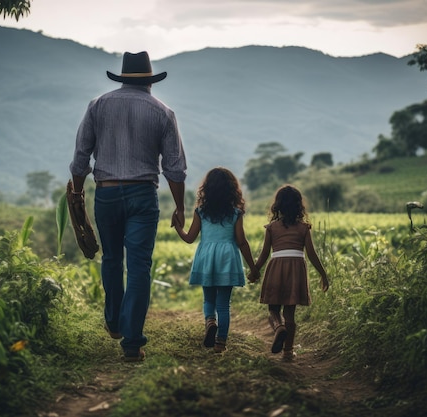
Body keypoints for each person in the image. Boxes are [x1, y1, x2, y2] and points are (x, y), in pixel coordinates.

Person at [69, 51, 187, 362]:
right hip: (143, 196)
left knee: (111, 258)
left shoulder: (98, 105)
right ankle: (132, 343)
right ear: (150, 82)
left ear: (122, 78)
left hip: (106, 194)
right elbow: (174, 168)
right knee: (139, 268)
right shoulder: (163, 112)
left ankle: (113, 320)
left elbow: (81, 157)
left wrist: (78, 196)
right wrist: (180, 206)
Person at [173, 167, 259, 353]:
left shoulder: (201, 211)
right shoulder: (235, 213)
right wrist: (253, 267)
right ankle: (220, 344)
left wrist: (178, 227)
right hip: (227, 257)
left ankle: (210, 321)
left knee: (208, 299)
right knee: (224, 304)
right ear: (232, 189)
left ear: (207, 189)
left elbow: (189, 238)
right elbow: (242, 242)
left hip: (207, 256)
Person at [249, 185, 329, 360]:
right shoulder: (304, 228)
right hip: (296, 268)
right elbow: (311, 254)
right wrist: (323, 274)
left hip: (276, 266)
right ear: (299, 206)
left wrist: (254, 271)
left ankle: (278, 328)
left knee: (273, 309)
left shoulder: (271, 228)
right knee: (290, 313)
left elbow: (264, 254)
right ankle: (288, 353)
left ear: (278, 206)